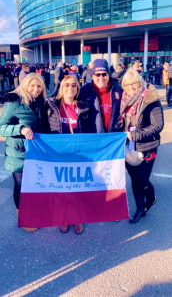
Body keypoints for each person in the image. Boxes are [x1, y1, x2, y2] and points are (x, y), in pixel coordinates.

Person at [0, 73, 49, 231]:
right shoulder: (14, 102)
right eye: (32, 86)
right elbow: (1, 127)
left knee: (34, 184)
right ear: (25, 85)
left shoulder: (41, 102)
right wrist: (20, 128)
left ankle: (33, 211)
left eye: (39, 86)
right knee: (21, 185)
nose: (35, 89)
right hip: (18, 152)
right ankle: (23, 216)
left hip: (35, 151)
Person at [117, 69, 164, 223]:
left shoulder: (150, 98)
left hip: (147, 146)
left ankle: (150, 198)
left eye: (134, 84)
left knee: (142, 180)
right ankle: (140, 209)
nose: (131, 88)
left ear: (139, 82)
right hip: (128, 146)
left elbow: (158, 125)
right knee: (134, 179)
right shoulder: (123, 99)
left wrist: (136, 135)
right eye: (127, 85)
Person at [47, 75, 92, 234]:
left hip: (79, 154)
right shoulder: (52, 106)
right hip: (60, 154)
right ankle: (64, 217)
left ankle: (77, 217)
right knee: (62, 188)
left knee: (78, 187)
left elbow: (90, 130)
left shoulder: (84, 106)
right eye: (67, 85)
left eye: (74, 85)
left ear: (77, 88)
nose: (70, 87)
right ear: (62, 87)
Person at [79, 59, 122, 133]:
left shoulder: (118, 90)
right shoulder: (83, 91)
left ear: (108, 75)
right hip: (93, 138)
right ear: (92, 75)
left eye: (104, 74)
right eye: (97, 74)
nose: (101, 78)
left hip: (113, 137)